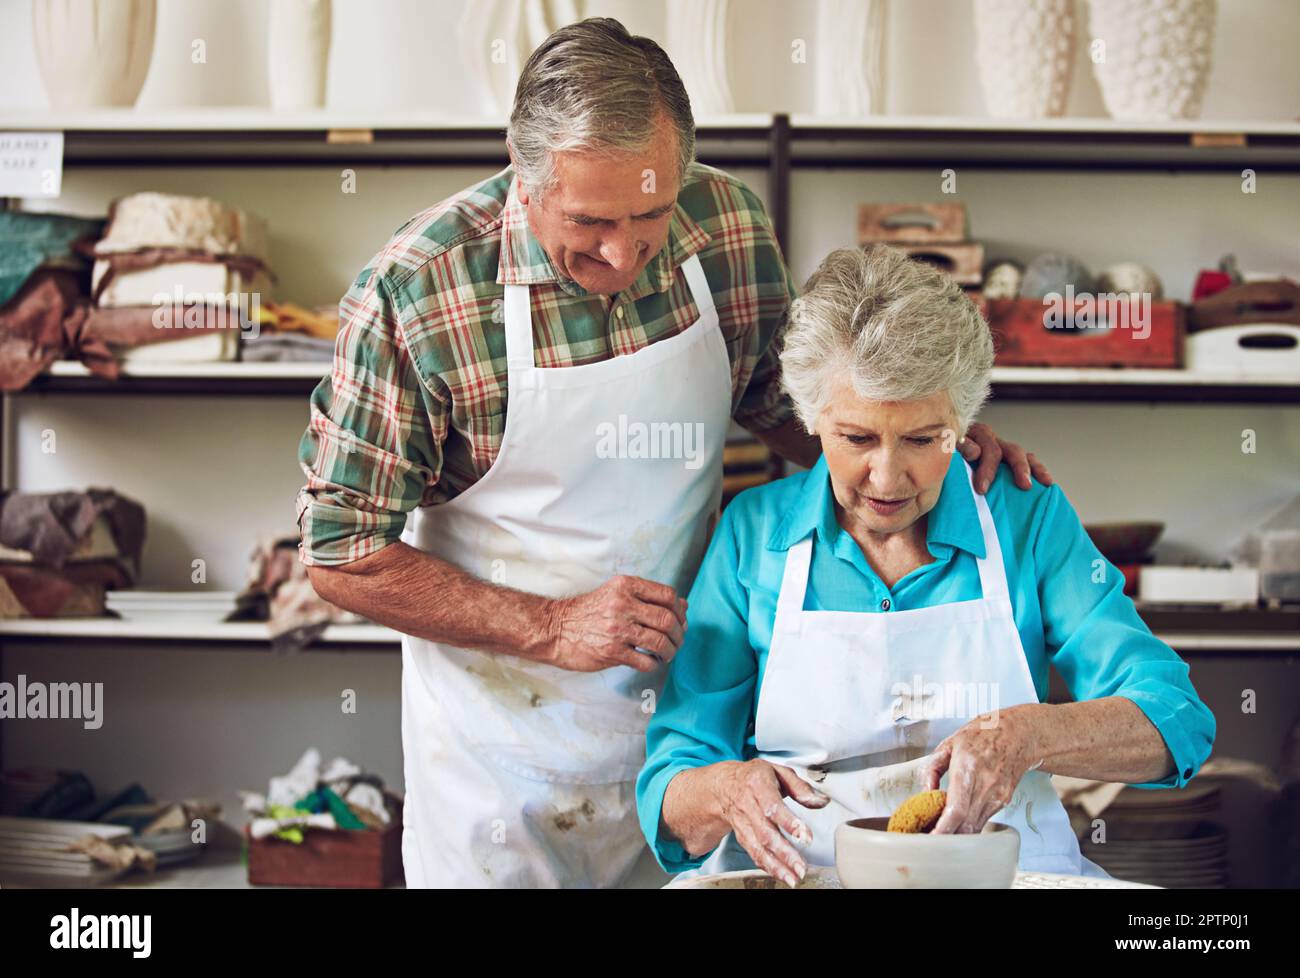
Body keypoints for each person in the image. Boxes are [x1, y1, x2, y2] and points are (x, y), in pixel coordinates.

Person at [297, 19, 1047, 888]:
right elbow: (340, 551)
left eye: (649, 215)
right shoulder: (417, 294)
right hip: (501, 758)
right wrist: (552, 625)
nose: (622, 253)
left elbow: (800, 416)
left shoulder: (722, 226)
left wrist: (920, 441)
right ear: (521, 171)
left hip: (698, 746)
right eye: (589, 222)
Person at [638, 245, 1216, 885]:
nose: (887, 479)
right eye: (856, 438)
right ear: (810, 417)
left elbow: (1176, 719)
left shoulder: (1025, 516)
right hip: (805, 874)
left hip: (1005, 874)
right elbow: (670, 789)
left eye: (922, 439)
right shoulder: (754, 534)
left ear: (965, 420)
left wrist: (1028, 736)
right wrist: (725, 791)